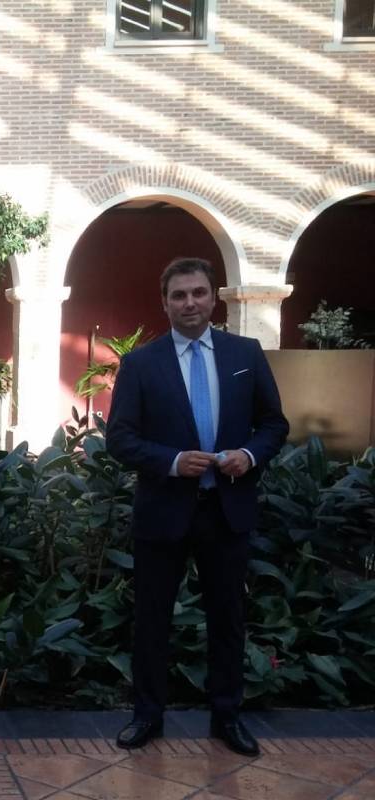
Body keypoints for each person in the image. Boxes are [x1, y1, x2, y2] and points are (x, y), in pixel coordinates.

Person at [107, 257, 288, 756]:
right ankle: (147, 717)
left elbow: (274, 425)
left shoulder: (245, 354)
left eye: (199, 293)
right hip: (164, 509)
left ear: (214, 297)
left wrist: (248, 456)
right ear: (164, 302)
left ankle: (226, 718)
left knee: (227, 618)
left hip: (226, 509)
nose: (190, 303)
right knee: (152, 619)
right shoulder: (142, 363)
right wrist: (172, 461)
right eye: (179, 295)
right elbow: (119, 439)